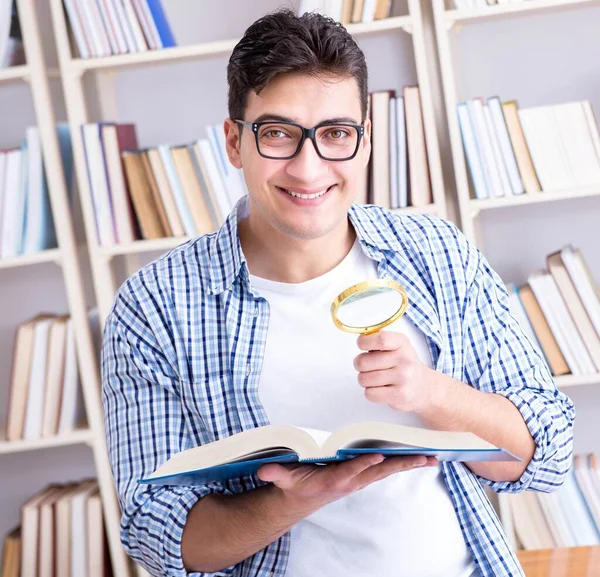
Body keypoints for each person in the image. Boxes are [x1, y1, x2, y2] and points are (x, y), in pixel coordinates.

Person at [101, 8, 575, 577]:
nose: (309, 168)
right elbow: (156, 537)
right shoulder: (151, 308)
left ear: (365, 140)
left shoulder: (437, 254)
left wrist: (429, 394)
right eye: (277, 134)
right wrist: (293, 500)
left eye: (335, 134)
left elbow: (546, 455)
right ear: (234, 141)